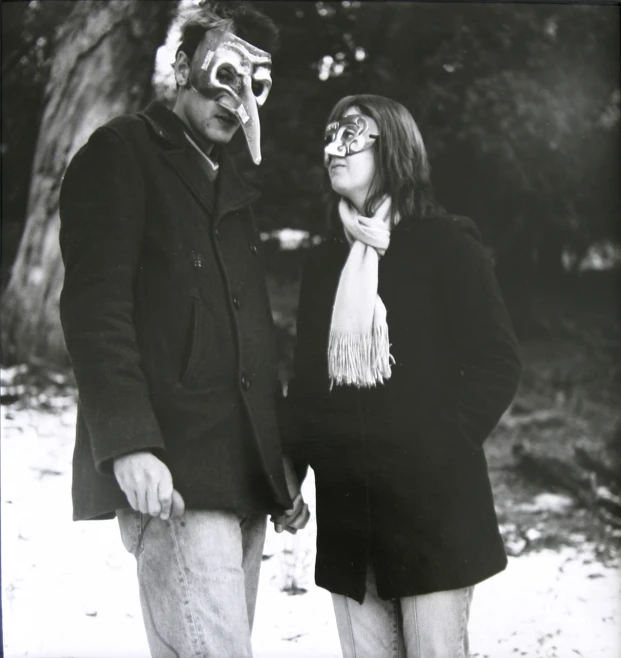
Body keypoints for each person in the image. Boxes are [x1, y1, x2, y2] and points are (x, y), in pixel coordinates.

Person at [58, 3, 308, 657]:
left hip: (242, 480)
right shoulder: (121, 155)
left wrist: (277, 470)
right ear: (181, 66)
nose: (239, 102)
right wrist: (130, 444)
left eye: (256, 86)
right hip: (174, 478)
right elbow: (94, 309)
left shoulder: (231, 186)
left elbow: (250, 337)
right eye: (226, 75)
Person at [278, 94, 522, 657]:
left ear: (392, 147)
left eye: (352, 134)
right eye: (329, 134)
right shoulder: (323, 264)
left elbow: (497, 361)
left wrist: (438, 445)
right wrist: (289, 470)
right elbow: (310, 386)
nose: (333, 147)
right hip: (349, 518)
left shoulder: (446, 243)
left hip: (432, 511)